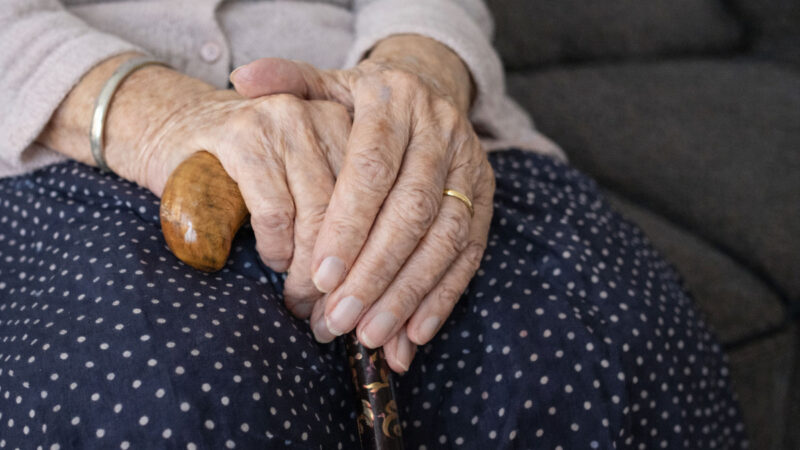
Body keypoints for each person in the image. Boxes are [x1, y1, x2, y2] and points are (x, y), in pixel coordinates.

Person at [0, 0, 747, 448]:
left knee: (597, 351)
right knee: (164, 402)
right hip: (66, 135)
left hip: (396, 108)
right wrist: (161, 117)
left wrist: (417, 80)